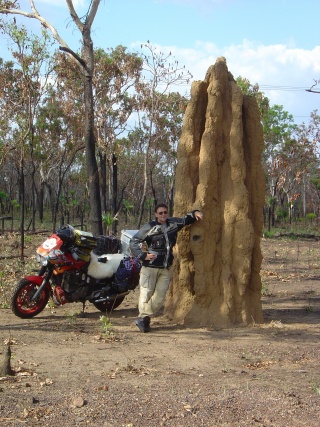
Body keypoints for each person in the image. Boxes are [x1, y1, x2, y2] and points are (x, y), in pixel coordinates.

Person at [129, 203, 203, 332]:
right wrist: (142, 255)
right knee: (146, 294)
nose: (163, 215)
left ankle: (142, 317)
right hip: (150, 267)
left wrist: (195, 213)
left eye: (165, 212)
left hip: (165, 267)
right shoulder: (149, 227)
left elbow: (185, 220)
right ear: (156, 214)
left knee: (160, 297)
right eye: (161, 213)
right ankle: (144, 322)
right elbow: (134, 241)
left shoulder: (172, 223)